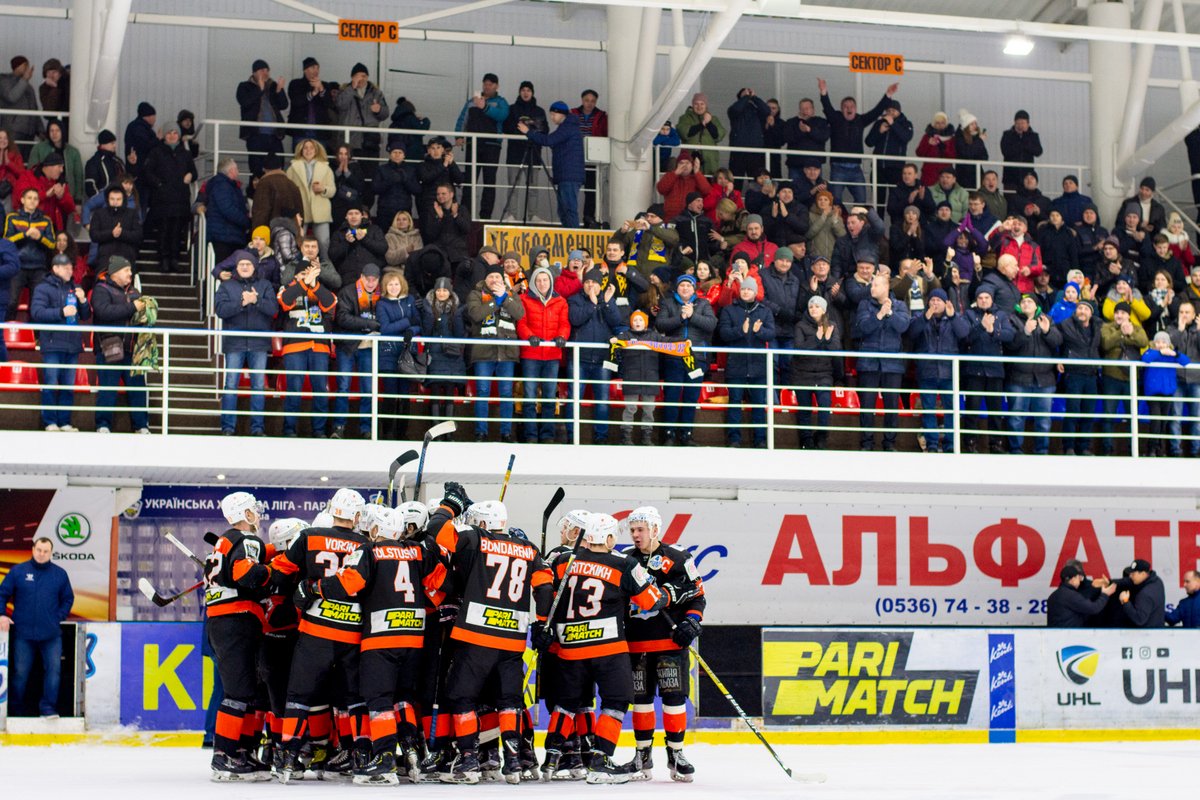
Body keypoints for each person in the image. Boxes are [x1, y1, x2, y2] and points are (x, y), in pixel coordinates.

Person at [433, 494, 552, 784]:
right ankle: (513, 761)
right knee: (509, 700)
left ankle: (468, 761)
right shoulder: (528, 548)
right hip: (512, 639)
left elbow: (437, 530)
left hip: (476, 635)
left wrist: (449, 505)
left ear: (484, 523)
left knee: (462, 696)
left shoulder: (475, 538)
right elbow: (545, 586)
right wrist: (541, 622)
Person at [540, 512, 665, 784]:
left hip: (569, 646)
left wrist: (542, 625)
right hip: (607, 646)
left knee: (566, 702)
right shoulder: (623, 563)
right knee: (616, 700)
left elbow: (545, 590)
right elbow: (650, 601)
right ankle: (600, 760)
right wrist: (663, 595)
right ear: (608, 538)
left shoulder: (564, 560)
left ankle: (551, 756)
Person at [271, 488, 370, 782]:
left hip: (315, 630)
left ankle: (289, 758)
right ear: (357, 515)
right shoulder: (366, 544)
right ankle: (360, 755)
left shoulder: (309, 536)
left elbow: (279, 571)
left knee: (299, 695)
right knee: (354, 697)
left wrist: (300, 586)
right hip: (352, 632)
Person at [201, 492, 272, 779]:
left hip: (224, 622)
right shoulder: (247, 540)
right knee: (239, 692)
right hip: (237, 620)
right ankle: (224, 755)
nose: (257, 514)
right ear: (245, 514)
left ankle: (241, 751)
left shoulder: (225, 542)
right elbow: (247, 574)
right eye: (253, 509)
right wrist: (271, 574)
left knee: (248, 691)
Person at [0, 537, 73, 718]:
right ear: (33, 550)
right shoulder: (18, 571)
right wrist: (2, 614)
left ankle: (48, 708)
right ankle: (16, 710)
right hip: (23, 634)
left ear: (51, 553)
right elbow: (2, 594)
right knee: (20, 674)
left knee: (54, 672)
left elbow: (68, 599)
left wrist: (57, 617)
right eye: (39, 550)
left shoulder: (60, 574)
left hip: (51, 635)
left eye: (46, 551)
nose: (42, 554)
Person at [277, 237, 338, 437]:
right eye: (303, 273)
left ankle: (319, 431)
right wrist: (304, 283)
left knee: (320, 390)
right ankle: (289, 430)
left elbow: (330, 303)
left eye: (309, 273)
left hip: (319, 347)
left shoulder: (320, 288)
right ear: (296, 274)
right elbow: (285, 301)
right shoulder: (287, 289)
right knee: (294, 390)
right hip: (294, 346)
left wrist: (314, 285)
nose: (306, 276)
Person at [214, 251, 276, 436]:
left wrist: (257, 301)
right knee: (230, 385)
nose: (244, 267)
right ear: (236, 267)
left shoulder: (265, 285)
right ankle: (227, 428)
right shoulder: (226, 286)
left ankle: (258, 429)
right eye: (241, 264)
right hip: (234, 343)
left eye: (248, 264)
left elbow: (273, 309)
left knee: (258, 387)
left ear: (254, 266)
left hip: (259, 343)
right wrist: (241, 303)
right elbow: (220, 310)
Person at [655, 273, 717, 446]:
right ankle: (669, 435)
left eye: (688, 285)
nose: (685, 288)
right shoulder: (667, 303)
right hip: (673, 355)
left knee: (691, 397)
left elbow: (712, 324)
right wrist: (680, 318)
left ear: (694, 288)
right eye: (682, 285)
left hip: (696, 358)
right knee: (672, 396)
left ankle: (686, 435)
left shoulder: (703, 304)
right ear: (677, 288)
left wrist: (692, 316)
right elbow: (660, 324)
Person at [30, 253, 90, 432]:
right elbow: (37, 313)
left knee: (68, 386)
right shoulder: (43, 288)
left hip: (72, 344)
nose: (70, 270)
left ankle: (64, 422)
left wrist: (83, 301)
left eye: (71, 268)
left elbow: (85, 315)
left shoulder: (75, 287)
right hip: (52, 343)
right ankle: (50, 421)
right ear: (55, 268)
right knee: (50, 383)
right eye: (66, 268)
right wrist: (61, 312)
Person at [466, 262, 525, 442]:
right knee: (482, 392)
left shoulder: (511, 294)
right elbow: (476, 314)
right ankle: (480, 432)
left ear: (502, 279)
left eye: (497, 276)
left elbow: (520, 314)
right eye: (490, 276)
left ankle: (506, 433)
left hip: (507, 352)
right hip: (483, 352)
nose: (494, 279)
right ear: (485, 279)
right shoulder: (476, 294)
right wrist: (495, 302)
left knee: (506, 393)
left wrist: (504, 298)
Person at [818, 77, 899, 205]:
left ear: (855, 109)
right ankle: (842, 218)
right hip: (838, 168)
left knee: (861, 200)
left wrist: (888, 94)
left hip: (856, 168)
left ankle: (855, 218)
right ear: (841, 109)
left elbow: (876, 111)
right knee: (835, 200)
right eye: (845, 107)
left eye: (851, 106)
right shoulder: (835, 118)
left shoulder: (860, 120)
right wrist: (823, 91)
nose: (849, 109)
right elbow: (827, 106)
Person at [906, 288, 969, 453]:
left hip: (949, 372)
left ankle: (950, 444)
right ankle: (932, 444)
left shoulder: (955, 317)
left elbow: (964, 333)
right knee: (928, 410)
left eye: (938, 300)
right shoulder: (920, 317)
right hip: (927, 372)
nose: (935, 303)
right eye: (932, 300)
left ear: (946, 302)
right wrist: (924, 318)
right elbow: (911, 333)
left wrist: (953, 316)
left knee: (951, 411)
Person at [719, 275, 775, 448]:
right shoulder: (729, 310)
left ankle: (760, 440)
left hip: (759, 366)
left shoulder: (765, 311)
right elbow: (723, 334)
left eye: (749, 289)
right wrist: (740, 331)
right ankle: (734, 439)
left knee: (759, 404)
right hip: (736, 364)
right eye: (743, 289)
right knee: (734, 402)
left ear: (755, 292)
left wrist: (759, 331)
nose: (745, 292)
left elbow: (771, 333)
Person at [856, 272, 911, 451]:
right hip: (869, 361)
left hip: (892, 363)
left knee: (892, 405)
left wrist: (890, 314)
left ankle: (889, 443)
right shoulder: (864, 305)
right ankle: (867, 443)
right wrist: (879, 315)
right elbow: (863, 327)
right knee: (867, 405)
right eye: (872, 285)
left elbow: (903, 326)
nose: (872, 288)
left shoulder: (900, 305)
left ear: (886, 287)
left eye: (876, 285)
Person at [516, 265, 569, 443]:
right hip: (531, 354)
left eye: (545, 280)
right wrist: (529, 336)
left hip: (552, 355)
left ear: (550, 281)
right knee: (529, 396)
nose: (542, 283)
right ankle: (530, 435)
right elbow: (521, 323)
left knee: (549, 396)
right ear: (533, 282)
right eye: (538, 280)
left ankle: (547, 435)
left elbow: (564, 324)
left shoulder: (560, 301)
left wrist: (562, 336)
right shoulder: (524, 299)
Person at [1006, 294, 1063, 455]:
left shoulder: (1047, 319)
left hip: (1044, 379)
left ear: (1036, 305)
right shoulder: (1012, 320)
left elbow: (1058, 341)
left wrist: (1047, 331)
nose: (1026, 304)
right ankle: (1016, 450)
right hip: (1018, 378)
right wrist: (1025, 332)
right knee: (1016, 417)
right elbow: (1009, 345)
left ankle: (1042, 450)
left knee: (1043, 419)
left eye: (1029, 301)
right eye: (1023, 301)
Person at [519, 100, 584, 228]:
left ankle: (573, 234)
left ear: (562, 114)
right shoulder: (568, 127)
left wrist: (529, 132)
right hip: (567, 175)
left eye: (554, 114)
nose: (552, 117)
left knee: (568, 209)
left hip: (568, 175)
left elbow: (549, 140)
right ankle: (569, 233)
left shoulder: (568, 127)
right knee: (564, 210)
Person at [141, 123, 196, 272]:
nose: (172, 136)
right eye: (169, 133)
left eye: (175, 133)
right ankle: (164, 259)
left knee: (177, 231)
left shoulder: (186, 154)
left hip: (180, 199)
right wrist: (159, 184)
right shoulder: (156, 152)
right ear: (164, 135)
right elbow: (147, 172)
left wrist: (190, 175)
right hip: (162, 200)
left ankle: (175, 259)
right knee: (164, 231)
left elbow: (194, 172)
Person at [455, 72, 509, 220]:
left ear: (497, 86)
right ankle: (465, 214)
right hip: (473, 144)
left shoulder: (501, 102)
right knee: (469, 180)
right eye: (485, 84)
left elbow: (503, 115)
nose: (487, 87)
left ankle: (485, 216)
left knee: (489, 181)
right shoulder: (472, 101)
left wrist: (485, 107)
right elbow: (462, 119)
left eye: (490, 84)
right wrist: (458, 135)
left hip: (492, 145)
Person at [1099, 301, 1148, 455]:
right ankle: (1107, 448)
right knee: (1108, 415)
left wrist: (1131, 333)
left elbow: (1143, 342)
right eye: (1117, 312)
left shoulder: (1137, 328)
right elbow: (1106, 343)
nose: (1119, 315)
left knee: (1132, 415)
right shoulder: (1107, 327)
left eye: (1123, 313)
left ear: (1128, 315)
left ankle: (1133, 449)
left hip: (1132, 379)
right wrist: (1121, 332)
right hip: (1111, 377)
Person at [4, 186, 55, 321]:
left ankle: (35, 333)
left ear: (38, 202)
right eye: (29, 198)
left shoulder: (46, 220)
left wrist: (40, 237)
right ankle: (5, 331)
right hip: (17, 266)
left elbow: (52, 244)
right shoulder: (12, 217)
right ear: (22, 200)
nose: (32, 201)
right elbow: (6, 241)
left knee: (37, 306)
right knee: (11, 302)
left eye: (35, 199)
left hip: (39, 268)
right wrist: (25, 234)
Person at [1058, 299, 1102, 456]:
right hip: (1074, 373)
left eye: (1086, 309)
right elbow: (1056, 342)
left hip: (1091, 374)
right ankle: (1069, 446)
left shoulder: (1098, 326)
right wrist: (1059, 359)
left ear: (1091, 313)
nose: (1082, 311)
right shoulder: (1066, 324)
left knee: (1088, 413)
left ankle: (1084, 447)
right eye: (1080, 308)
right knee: (1073, 411)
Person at [1140, 330, 1190, 457]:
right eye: (1158, 342)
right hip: (1153, 393)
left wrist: (1175, 354)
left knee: (1163, 422)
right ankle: (1151, 449)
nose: (1160, 344)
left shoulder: (1171, 356)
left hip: (1167, 392)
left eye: (1163, 342)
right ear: (1154, 343)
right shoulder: (1151, 352)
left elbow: (1186, 361)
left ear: (1168, 344)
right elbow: (1145, 359)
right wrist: (1159, 353)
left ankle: (1159, 449)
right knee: (1156, 421)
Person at [236, 59, 288, 177]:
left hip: (275, 135)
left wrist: (279, 90)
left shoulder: (273, 86)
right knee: (256, 168)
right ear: (254, 73)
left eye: (267, 70)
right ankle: (256, 188)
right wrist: (259, 89)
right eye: (262, 70)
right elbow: (245, 102)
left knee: (278, 167)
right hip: (255, 134)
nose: (265, 73)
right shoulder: (244, 86)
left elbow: (283, 105)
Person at [287, 138, 336, 260]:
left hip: (320, 210)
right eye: (305, 148)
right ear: (301, 150)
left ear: (316, 150)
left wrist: (323, 189)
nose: (308, 150)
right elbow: (287, 190)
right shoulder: (293, 168)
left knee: (324, 242)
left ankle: (325, 267)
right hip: (300, 210)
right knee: (298, 242)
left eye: (311, 148)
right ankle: (298, 266)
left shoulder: (326, 168)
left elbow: (332, 191)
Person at [334, 63, 389, 158]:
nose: (361, 79)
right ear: (352, 78)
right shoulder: (344, 91)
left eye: (363, 76)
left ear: (367, 77)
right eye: (357, 76)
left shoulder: (376, 93)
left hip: (370, 140)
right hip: (349, 140)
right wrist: (352, 88)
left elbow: (386, 113)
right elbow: (340, 105)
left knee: (370, 165)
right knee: (351, 166)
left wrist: (379, 110)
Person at [864, 99, 912, 205]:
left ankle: (894, 217)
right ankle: (878, 216)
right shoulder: (879, 123)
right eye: (889, 110)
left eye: (893, 110)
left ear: (899, 111)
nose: (891, 113)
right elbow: (869, 142)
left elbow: (906, 137)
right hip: (878, 167)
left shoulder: (906, 124)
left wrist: (893, 124)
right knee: (878, 199)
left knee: (895, 200)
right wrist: (879, 131)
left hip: (896, 168)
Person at [571, 90, 608, 226]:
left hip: (593, 157)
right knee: (571, 189)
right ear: (582, 100)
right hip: (575, 156)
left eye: (592, 101)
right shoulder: (573, 113)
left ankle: (588, 218)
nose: (589, 103)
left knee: (591, 190)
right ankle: (570, 218)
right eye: (587, 100)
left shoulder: (601, 116)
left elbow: (605, 133)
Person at [204, 158, 250, 264]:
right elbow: (228, 209)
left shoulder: (223, 185)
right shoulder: (223, 185)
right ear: (231, 171)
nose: (238, 171)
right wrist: (246, 221)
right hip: (225, 235)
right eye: (236, 168)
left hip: (225, 233)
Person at [329, 204, 387, 287]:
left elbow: (383, 248)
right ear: (346, 217)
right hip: (348, 277)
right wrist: (346, 243)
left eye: (356, 213)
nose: (353, 216)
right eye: (350, 214)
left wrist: (365, 239)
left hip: (372, 275)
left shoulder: (374, 229)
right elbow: (332, 255)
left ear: (362, 216)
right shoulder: (338, 233)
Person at [286, 57, 336, 148]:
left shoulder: (325, 85)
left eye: (317, 68)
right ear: (305, 70)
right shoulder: (295, 84)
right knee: (300, 156)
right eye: (313, 67)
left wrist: (321, 89)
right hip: (300, 131)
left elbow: (330, 104)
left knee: (320, 157)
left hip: (320, 132)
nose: (316, 71)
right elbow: (296, 102)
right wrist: (312, 93)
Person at [1046, 563, 1116, 627]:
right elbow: (1093, 608)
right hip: (1069, 635)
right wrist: (1105, 595)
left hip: (1053, 634)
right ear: (1073, 579)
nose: (1080, 581)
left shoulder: (1052, 596)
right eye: (1078, 578)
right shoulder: (1071, 595)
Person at [28, 120, 83, 200]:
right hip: (45, 194)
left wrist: (78, 200)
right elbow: (31, 172)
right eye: (52, 131)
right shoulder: (38, 149)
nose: (54, 134)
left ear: (62, 132)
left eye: (57, 130)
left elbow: (78, 177)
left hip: (67, 195)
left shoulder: (73, 152)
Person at [374, 143, 420, 233]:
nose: (397, 155)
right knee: (384, 235)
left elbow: (417, 190)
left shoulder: (410, 170)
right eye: (394, 152)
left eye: (400, 152)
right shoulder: (381, 169)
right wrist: (389, 181)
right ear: (390, 154)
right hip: (385, 210)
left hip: (404, 211)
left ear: (404, 155)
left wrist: (405, 180)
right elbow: (375, 189)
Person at [0, 56, 41, 157]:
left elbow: (34, 109)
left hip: (29, 131)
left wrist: (40, 130)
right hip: (13, 130)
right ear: (17, 66)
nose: (28, 68)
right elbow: (11, 97)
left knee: (26, 161)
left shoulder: (29, 87)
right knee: (12, 158)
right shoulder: (4, 81)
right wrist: (24, 79)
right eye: (25, 65)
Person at [676, 93, 726, 177]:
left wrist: (709, 123)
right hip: (689, 158)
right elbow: (684, 132)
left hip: (710, 160)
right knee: (689, 182)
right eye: (696, 104)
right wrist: (701, 125)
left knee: (708, 183)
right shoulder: (684, 118)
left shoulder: (714, 119)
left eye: (702, 104)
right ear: (692, 105)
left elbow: (718, 136)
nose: (699, 106)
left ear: (706, 105)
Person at [727, 88, 770, 181]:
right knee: (736, 180)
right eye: (744, 94)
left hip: (755, 151)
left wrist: (754, 97)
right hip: (738, 151)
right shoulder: (733, 110)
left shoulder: (757, 111)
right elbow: (736, 109)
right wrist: (745, 97)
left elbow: (767, 111)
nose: (747, 95)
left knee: (757, 180)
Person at [783, 98, 830, 181]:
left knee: (815, 188)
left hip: (814, 166)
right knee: (795, 188)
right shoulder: (791, 122)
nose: (805, 111)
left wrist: (810, 130)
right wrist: (800, 131)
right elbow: (787, 138)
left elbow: (824, 136)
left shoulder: (821, 122)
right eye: (802, 109)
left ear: (813, 110)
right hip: (796, 165)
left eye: (807, 108)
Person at [999, 110, 1043, 191]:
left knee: (1026, 197)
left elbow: (1038, 152)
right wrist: (1019, 142)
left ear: (1028, 124)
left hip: (1027, 176)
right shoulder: (1007, 135)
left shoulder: (1033, 136)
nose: (1020, 126)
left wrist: (1025, 138)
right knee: (1010, 197)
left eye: (1023, 123)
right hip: (1010, 176)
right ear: (1014, 123)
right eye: (1018, 123)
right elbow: (1005, 151)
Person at [1119, 559, 1166, 628]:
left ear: (1143, 574)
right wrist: (1110, 582)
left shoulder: (1145, 594)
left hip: (1147, 633)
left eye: (1133, 574)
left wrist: (1125, 601)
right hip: (1158, 629)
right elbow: (1129, 581)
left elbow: (1139, 620)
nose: (1130, 576)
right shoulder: (1157, 581)